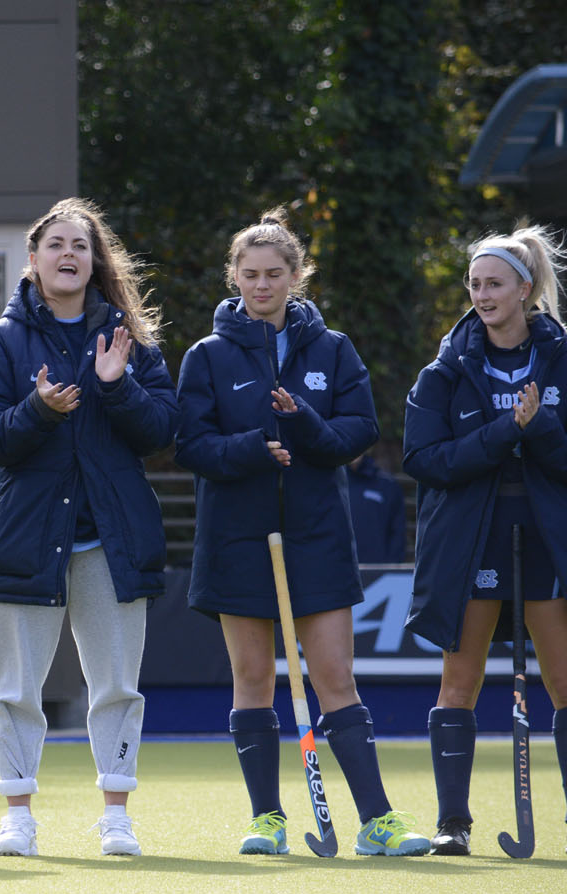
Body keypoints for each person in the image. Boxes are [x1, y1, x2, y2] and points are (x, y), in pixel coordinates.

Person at [175, 208, 429, 858]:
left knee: (335, 675)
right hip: (238, 538)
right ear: (234, 276)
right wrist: (254, 450)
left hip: (315, 535)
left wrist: (305, 423)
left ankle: (377, 822)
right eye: (250, 273)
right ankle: (267, 819)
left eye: (274, 273)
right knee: (252, 678)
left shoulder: (332, 348)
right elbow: (192, 445)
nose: (261, 284)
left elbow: (360, 430)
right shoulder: (207, 355)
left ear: (296, 275)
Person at [0, 197, 176, 859]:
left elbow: (162, 434)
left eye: (79, 246)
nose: (67, 255)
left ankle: (116, 814)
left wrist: (116, 386)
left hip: (111, 544)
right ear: (33, 260)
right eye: (55, 244)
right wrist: (38, 409)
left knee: (116, 685)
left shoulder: (129, 339)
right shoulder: (2, 340)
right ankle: (17, 816)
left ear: (94, 261)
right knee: (15, 688)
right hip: (29, 541)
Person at [404, 226, 567, 857]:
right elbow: (424, 459)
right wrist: (501, 434)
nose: (482, 294)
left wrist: (541, 428)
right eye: (474, 284)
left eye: (495, 284)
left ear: (525, 289)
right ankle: (453, 824)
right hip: (472, 541)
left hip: (547, 538)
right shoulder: (443, 372)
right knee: (457, 684)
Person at [345, 451, 406, 564]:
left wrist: (391, 568)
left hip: (379, 572)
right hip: (340, 571)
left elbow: (398, 532)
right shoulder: (332, 483)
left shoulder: (388, 485)